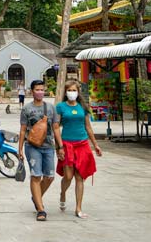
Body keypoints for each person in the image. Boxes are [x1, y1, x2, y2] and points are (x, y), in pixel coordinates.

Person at [56, 80, 102, 219]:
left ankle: (78, 208)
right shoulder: (60, 107)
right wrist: (59, 147)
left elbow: (88, 127)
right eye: (69, 90)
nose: (72, 93)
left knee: (79, 176)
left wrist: (95, 145)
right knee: (68, 176)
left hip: (82, 144)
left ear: (78, 92)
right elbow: (56, 127)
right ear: (65, 92)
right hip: (67, 145)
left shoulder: (83, 107)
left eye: (74, 90)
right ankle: (63, 193)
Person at [18, 79, 61, 222]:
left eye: (42, 89)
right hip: (32, 146)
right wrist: (20, 150)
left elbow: (55, 128)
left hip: (48, 146)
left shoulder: (50, 108)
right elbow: (23, 130)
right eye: (37, 90)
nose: (40, 92)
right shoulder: (26, 109)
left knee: (49, 177)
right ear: (32, 91)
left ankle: (36, 197)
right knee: (36, 176)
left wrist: (60, 146)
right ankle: (40, 209)